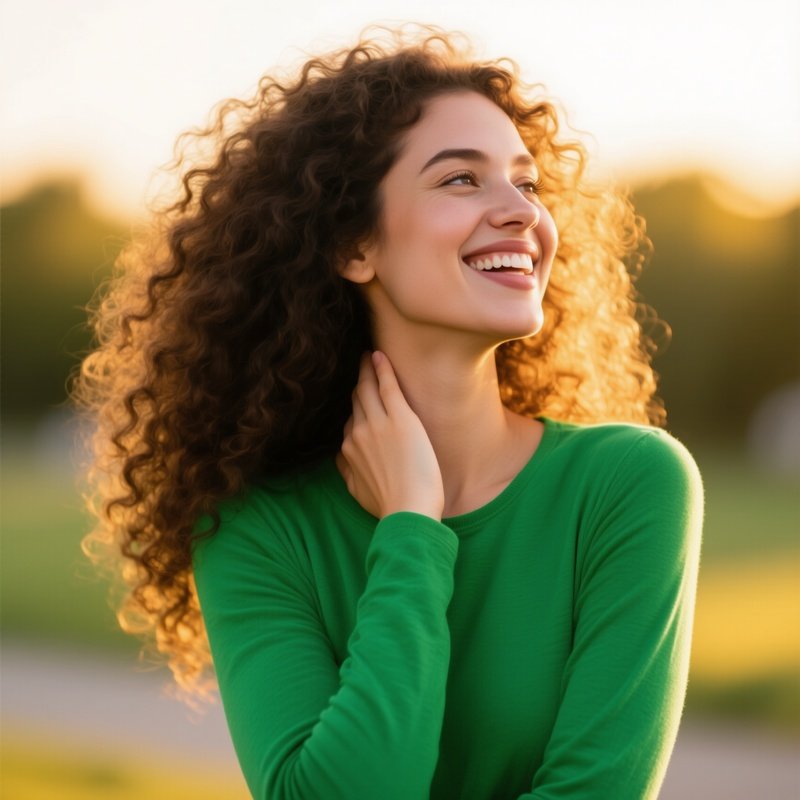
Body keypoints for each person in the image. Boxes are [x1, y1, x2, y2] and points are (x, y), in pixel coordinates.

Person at [74, 23, 704, 799]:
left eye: (527, 183)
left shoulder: (630, 483)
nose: (521, 213)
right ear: (353, 244)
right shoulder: (254, 529)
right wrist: (411, 532)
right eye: (461, 181)